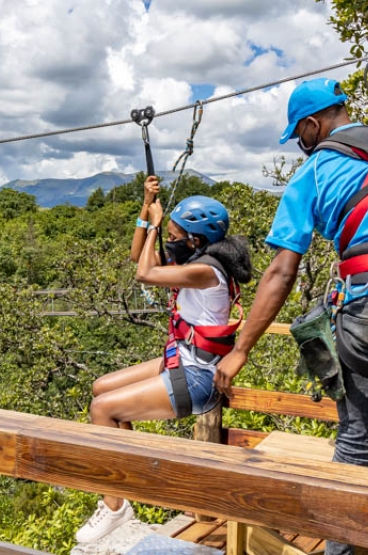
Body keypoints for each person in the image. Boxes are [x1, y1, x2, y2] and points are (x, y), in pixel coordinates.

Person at [214, 78, 368, 555]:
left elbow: (281, 272)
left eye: (299, 135)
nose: (301, 144)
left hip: (364, 304)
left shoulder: (314, 172)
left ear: (313, 124)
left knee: (354, 444)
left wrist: (240, 350)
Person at [74, 176, 252, 544]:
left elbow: (145, 273)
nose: (169, 240)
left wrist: (156, 223)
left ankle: (115, 506)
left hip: (199, 378)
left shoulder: (207, 271)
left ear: (196, 241)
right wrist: (145, 206)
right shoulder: (197, 258)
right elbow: (137, 257)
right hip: (181, 360)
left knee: (103, 410)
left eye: (173, 235)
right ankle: (122, 483)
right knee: (100, 389)